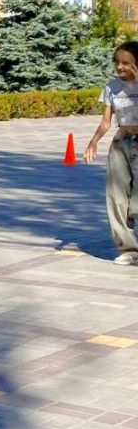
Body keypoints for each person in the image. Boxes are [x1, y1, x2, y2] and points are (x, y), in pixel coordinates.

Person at [84, 41, 138, 266]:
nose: (120, 67)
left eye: (126, 63)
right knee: (116, 197)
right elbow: (106, 121)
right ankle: (129, 249)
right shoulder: (112, 87)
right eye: (117, 62)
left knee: (136, 200)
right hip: (121, 142)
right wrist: (93, 142)